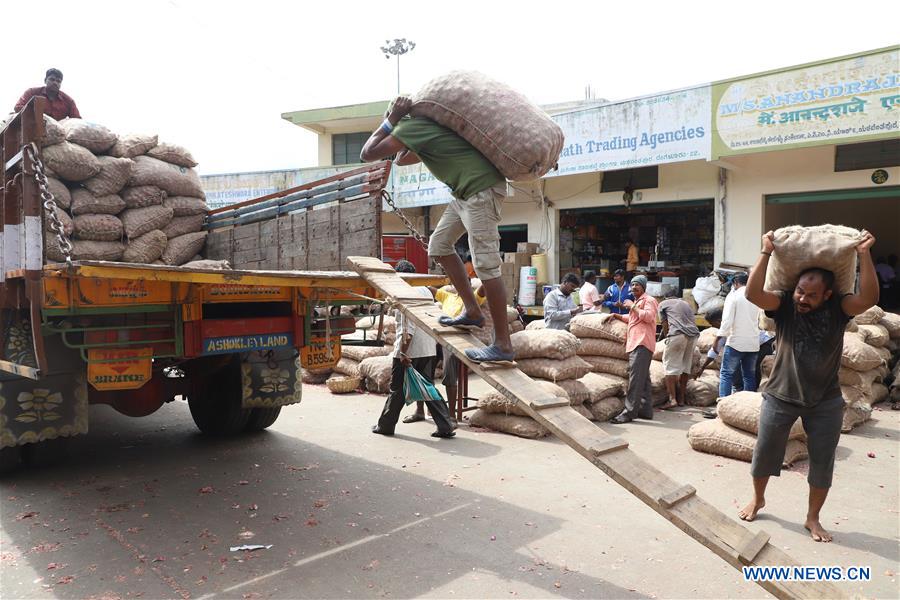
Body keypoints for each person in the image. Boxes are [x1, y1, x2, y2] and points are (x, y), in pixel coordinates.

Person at [738, 229, 878, 543]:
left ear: (827, 294)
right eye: (800, 291)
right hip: (780, 396)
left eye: (811, 295)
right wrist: (765, 253)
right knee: (764, 454)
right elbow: (753, 294)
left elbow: (869, 299)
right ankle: (758, 499)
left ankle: (813, 518)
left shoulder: (839, 310)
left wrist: (865, 254)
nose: (803, 298)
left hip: (825, 401)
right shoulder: (785, 306)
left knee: (822, 461)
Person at [360, 96, 513, 363]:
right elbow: (402, 160)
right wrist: (399, 129)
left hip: (480, 190)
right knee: (439, 247)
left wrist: (391, 119)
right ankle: (473, 312)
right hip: (464, 194)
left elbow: (367, 153)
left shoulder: (410, 126)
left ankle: (503, 344)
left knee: (486, 265)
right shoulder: (423, 131)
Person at [372, 260, 456, 439]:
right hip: (428, 348)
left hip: (410, 350)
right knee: (427, 386)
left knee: (397, 389)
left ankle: (385, 425)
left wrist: (403, 352)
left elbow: (406, 328)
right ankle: (446, 424)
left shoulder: (403, 293)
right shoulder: (425, 290)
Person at [404, 281, 487, 424]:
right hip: (438, 339)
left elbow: (484, 288)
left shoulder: (472, 299)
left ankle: (451, 415)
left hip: (455, 342)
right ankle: (420, 411)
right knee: (422, 367)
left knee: (449, 373)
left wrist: (488, 274)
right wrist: (410, 285)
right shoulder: (447, 296)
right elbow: (429, 289)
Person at [611, 275, 659, 423]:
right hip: (636, 343)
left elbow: (648, 317)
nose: (633, 287)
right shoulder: (638, 303)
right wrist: (617, 315)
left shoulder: (648, 300)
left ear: (643, 287)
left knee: (635, 379)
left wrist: (632, 306)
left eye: (637, 285)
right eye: (631, 285)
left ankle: (629, 412)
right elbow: (633, 318)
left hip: (642, 343)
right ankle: (645, 410)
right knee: (643, 379)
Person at [718, 272, 762, 398]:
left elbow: (727, 321)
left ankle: (723, 404)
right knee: (749, 376)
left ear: (735, 283)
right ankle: (748, 405)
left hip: (736, 342)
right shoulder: (755, 296)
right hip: (753, 343)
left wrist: (719, 337)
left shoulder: (734, 296)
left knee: (726, 374)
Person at [658, 288, 700, 408]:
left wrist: (667, 337)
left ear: (665, 297)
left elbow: (664, 323)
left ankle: (672, 399)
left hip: (677, 334)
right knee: (685, 367)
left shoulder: (663, 304)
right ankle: (681, 398)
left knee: (669, 367)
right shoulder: (686, 304)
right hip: (693, 335)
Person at [14, 68, 81, 121]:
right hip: (32, 129)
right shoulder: (32, 92)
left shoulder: (69, 101)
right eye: (52, 79)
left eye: (58, 81)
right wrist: (42, 117)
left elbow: (77, 120)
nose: (55, 83)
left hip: (58, 133)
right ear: (45, 80)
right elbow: (18, 107)